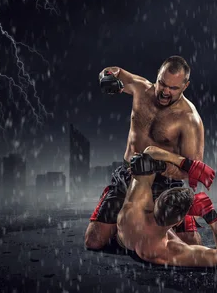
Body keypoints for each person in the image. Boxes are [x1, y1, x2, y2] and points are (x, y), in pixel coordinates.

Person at [85, 56, 206, 250]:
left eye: (173, 88)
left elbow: (193, 170)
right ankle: (129, 235)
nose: (165, 91)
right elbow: (114, 70)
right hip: (128, 176)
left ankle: (141, 236)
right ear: (157, 76)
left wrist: (159, 166)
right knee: (93, 241)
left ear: (185, 86)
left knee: (191, 244)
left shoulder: (190, 120)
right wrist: (106, 76)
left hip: (164, 184)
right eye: (162, 83)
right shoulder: (142, 89)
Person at [116, 149, 217, 267]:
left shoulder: (131, 210)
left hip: (128, 236)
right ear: (179, 221)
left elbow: (149, 152)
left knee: (143, 165)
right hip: (152, 247)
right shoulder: (170, 250)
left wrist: (170, 165)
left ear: (157, 199)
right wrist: (211, 216)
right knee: (194, 242)